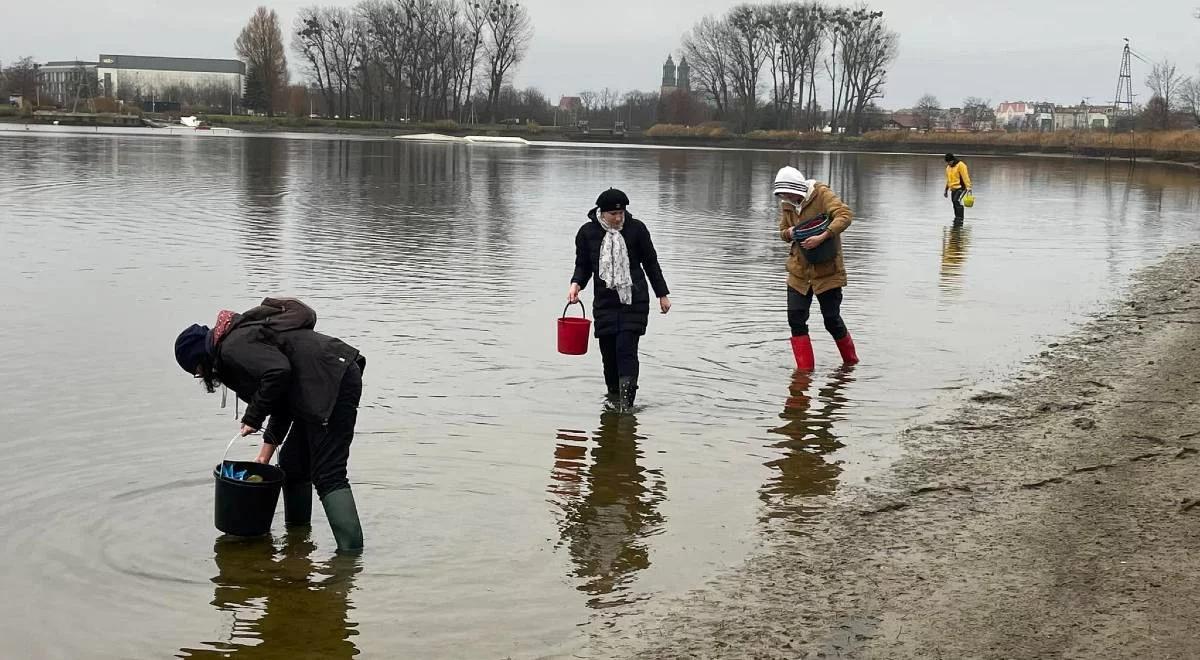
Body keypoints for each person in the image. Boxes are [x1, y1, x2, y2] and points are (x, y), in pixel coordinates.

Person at [174, 297, 367, 553]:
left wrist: (252, 418)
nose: (202, 377)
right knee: (293, 466)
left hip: (331, 381)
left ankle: (350, 558)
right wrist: (264, 456)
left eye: (197, 371)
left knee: (328, 473)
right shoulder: (236, 342)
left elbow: (278, 373)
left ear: (200, 358)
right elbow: (283, 399)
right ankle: (298, 541)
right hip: (320, 383)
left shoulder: (232, 347)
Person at [568, 188, 671, 411]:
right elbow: (583, 265)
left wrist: (662, 294)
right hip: (604, 301)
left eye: (621, 213)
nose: (618, 218)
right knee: (608, 354)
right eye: (613, 214)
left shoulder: (637, 230)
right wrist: (576, 284)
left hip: (634, 300)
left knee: (626, 349)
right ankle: (614, 400)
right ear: (601, 213)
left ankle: (627, 405)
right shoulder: (587, 233)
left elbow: (651, 263)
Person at [774, 166, 859, 371]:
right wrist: (790, 233)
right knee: (796, 320)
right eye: (782, 194)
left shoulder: (822, 194)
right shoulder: (787, 204)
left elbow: (845, 215)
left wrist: (823, 236)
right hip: (798, 274)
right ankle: (804, 373)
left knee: (831, 320)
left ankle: (851, 363)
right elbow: (782, 231)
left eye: (787, 193)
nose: (785, 197)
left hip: (827, 272)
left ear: (797, 188)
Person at [943, 153, 972, 224]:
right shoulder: (948, 168)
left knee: (957, 201)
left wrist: (968, 187)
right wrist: (946, 190)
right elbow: (948, 180)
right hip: (953, 188)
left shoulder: (961, 165)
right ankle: (956, 218)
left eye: (949, 162)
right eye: (947, 162)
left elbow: (965, 176)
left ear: (952, 160)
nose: (948, 164)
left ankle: (960, 219)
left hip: (961, 187)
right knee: (954, 203)